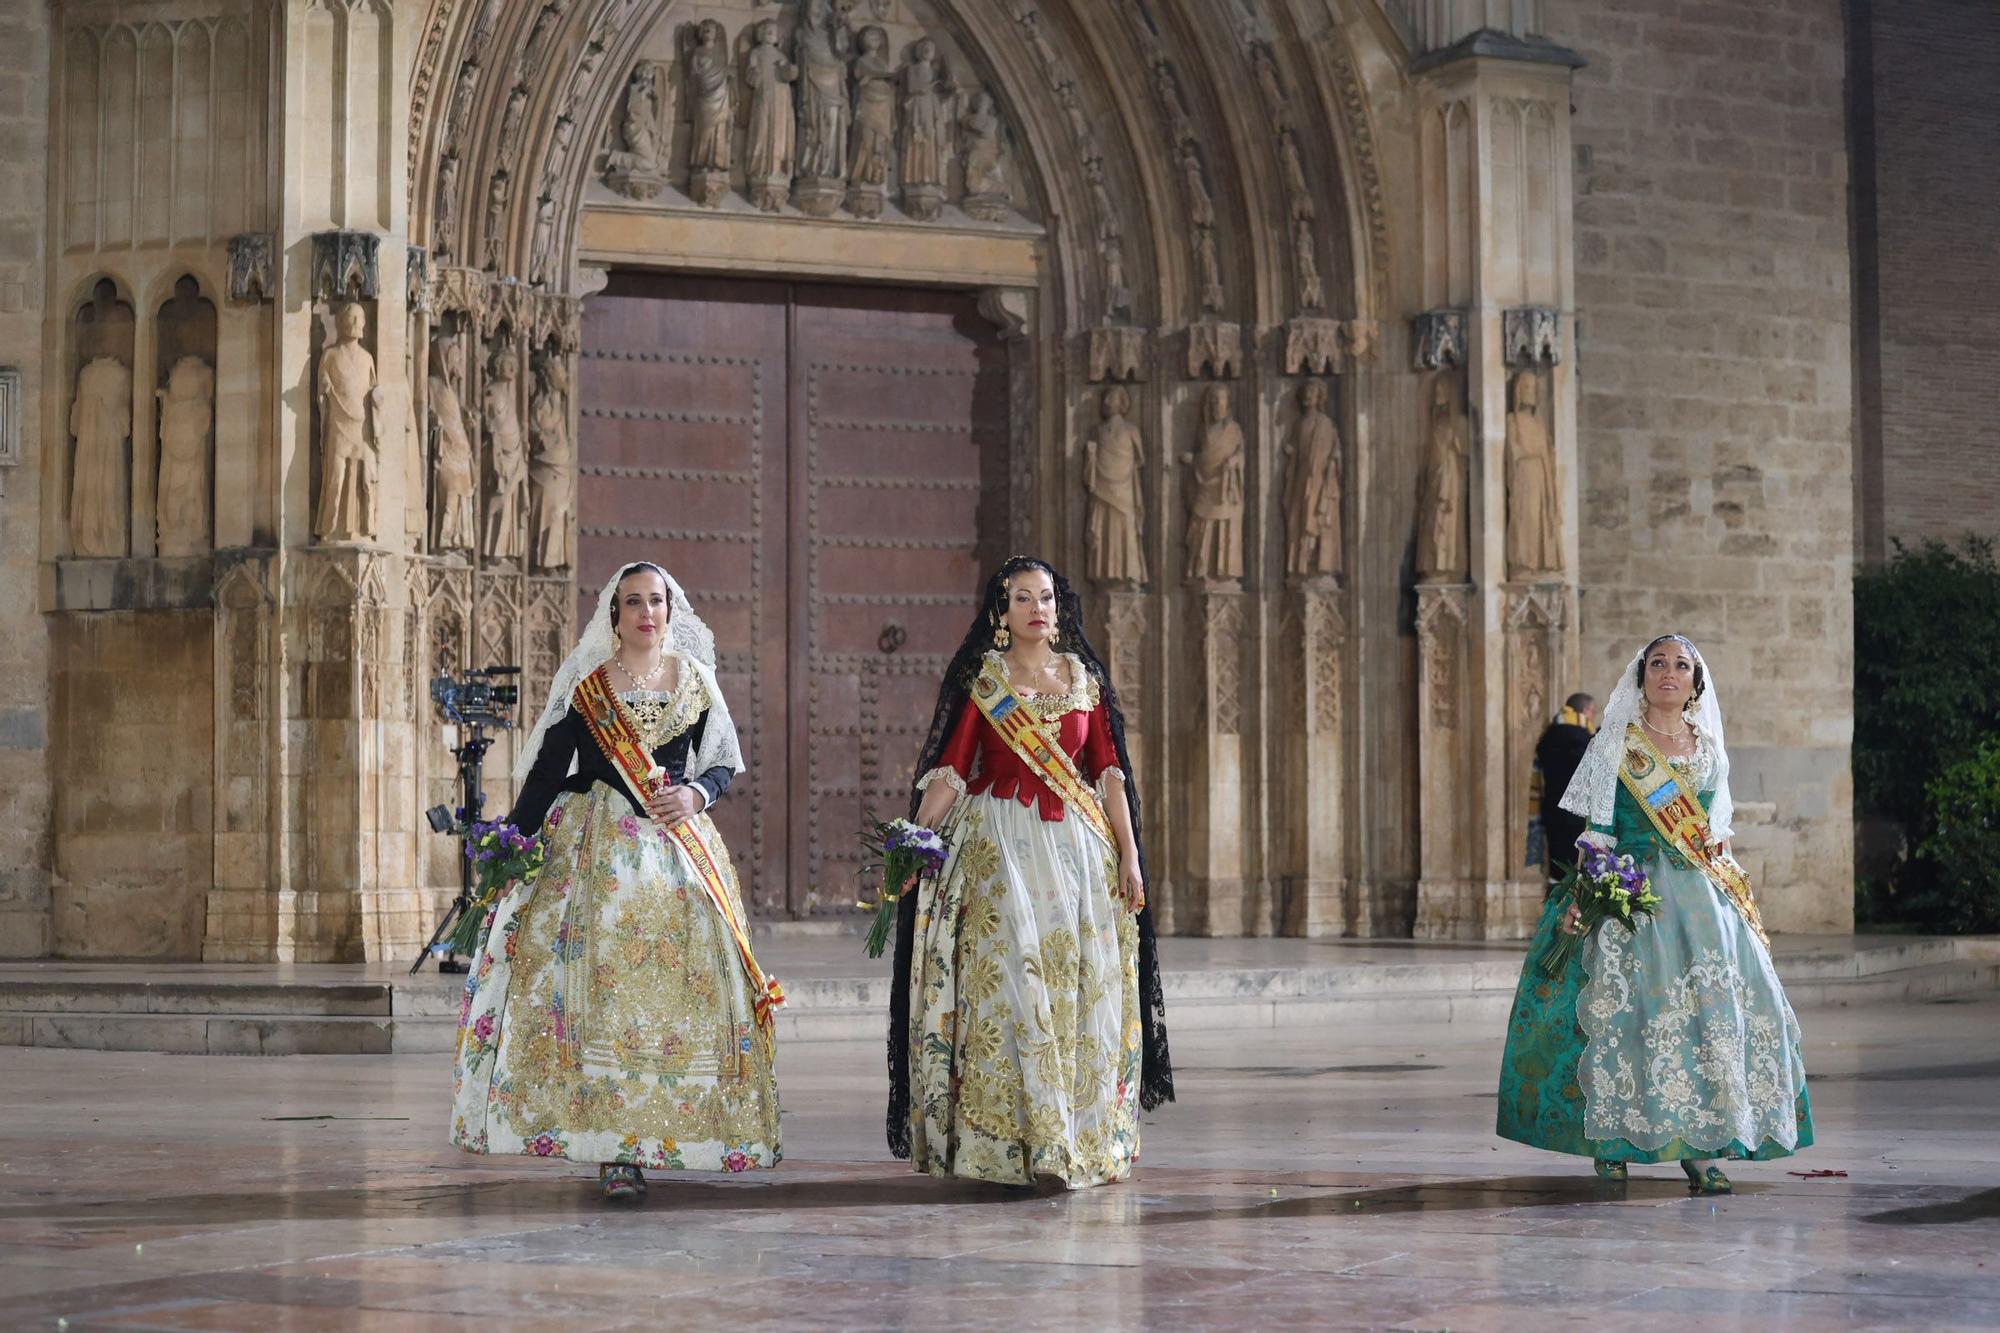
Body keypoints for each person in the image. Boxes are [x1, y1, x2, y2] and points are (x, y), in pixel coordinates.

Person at [449, 562, 783, 1202]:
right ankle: (616, 1148)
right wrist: (512, 845)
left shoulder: (698, 682)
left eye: (656, 601)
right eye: (634, 602)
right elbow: (548, 773)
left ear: (671, 609)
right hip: (599, 858)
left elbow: (721, 766)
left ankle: (696, 1133)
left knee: (682, 994)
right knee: (603, 994)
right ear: (615, 614)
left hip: (678, 855)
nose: (646, 613)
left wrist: (695, 795)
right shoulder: (588, 686)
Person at [888, 557, 1173, 1189]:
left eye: (1046, 597)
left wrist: (1129, 855)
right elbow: (953, 771)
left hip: (1078, 856)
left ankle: (1072, 1141)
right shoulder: (984, 682)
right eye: (1023, 598)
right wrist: (914, 840)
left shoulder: (1083, 681)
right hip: (998, 851)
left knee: (1073, 988)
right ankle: (1013, 1145)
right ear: (1002, 612)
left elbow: (1107, 773)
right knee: (1012, 983)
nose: (1037, 608)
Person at [1496, 634, 1813, 1194]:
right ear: (1642, 676)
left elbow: (1714, 833)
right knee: (1628, 1018)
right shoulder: (1617, 742)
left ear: (1697, 682)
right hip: (1632, 894)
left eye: (1681, 665)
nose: (1669, 672)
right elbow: (1596, 830)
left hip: (1701, 901)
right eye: (1659, 664)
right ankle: (1613, 1140)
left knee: (1707, 1020)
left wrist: (1735, 897)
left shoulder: (1710, 748)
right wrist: (1584, 899)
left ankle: (1703, 1144)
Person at [1529, 692, 1596, 889]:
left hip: (1551, 812)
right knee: (1579, 871)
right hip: (1578, 814)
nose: (1593, 717)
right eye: (1593, 712)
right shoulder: (1586, 739)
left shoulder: (1547, 737)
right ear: (1585, 711)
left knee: (1557, 869)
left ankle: (1553, 914)